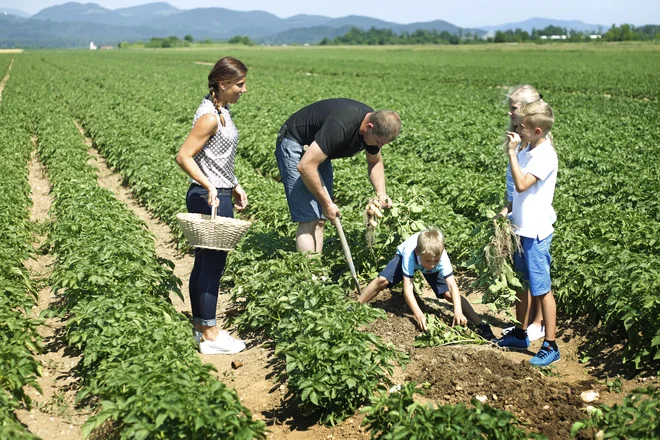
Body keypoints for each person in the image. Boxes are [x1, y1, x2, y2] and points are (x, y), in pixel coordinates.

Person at [175, 56, 249, 355]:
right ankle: (211, 333)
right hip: (208, 196)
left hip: (217, 191)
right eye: (239, 84)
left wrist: (233, 184)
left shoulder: (221, 110)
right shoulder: (209, 116)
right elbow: (184, 156)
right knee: (213, 264)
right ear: (222, 83)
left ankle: (200, 326)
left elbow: (215, 159)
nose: (243, 89)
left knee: (205, 261)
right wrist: (209, 185)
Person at [275, 98, 401, 254]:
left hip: (318, 152)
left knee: (321, 219)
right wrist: (328, 203)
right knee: (309, 218)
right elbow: (306, 166)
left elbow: (375, 162)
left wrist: (381, 192)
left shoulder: (374, 127)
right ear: (369, 127)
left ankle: (317, 272)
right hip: (296, 143)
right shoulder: (341, 126)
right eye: (377, 142)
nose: (378, 147)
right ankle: (306, 275)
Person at [495, 100, 560, 367]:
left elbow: (522, 184)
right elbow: (517, 193)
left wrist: (511, 153)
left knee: (542, 289)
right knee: (521, 284)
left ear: (536, 131)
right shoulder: (528, 148)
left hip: (536, 231)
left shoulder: (544, 155)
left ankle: (551, 344)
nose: (517, 130)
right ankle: (521, 334)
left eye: (522, 127)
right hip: (521, 226)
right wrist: (507, 209)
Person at [357, 227, 495, 340]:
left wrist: (457, 311)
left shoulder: (440, 258)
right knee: (382, 280)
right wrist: (419, 315)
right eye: (428, 261)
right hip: (409, 258)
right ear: (418, 252)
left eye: (436, 260)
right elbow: (408, 289)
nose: (432, 264)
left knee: (448, 294)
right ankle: (356, 306)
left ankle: (481, 325)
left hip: (428, 259)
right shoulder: (410, 254)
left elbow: (453, 286)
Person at [498, 85, 548, 342]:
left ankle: (538, 324)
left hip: (532, 221)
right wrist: (508, 205)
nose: (509, 112)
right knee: (523, 275)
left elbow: (523, 183)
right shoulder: (521, 136)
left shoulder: (537, 145)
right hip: (519, 214)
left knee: (536, 275)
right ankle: (524, 325)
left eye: (513, 108)